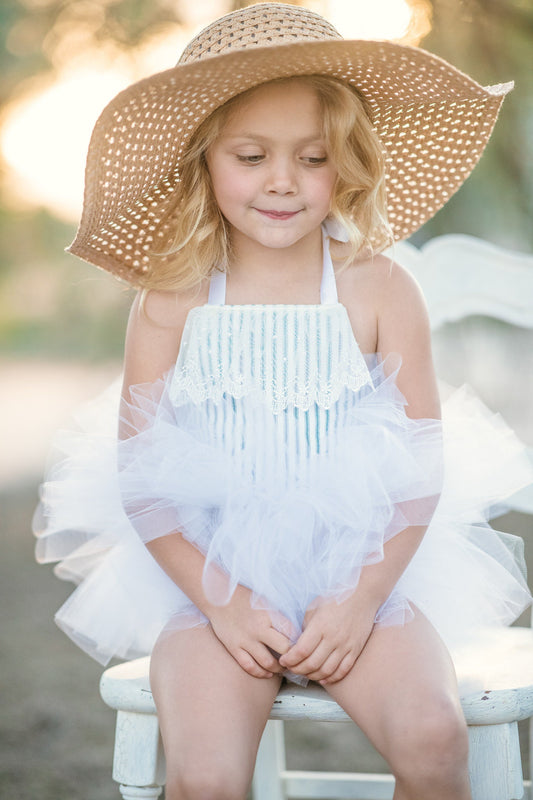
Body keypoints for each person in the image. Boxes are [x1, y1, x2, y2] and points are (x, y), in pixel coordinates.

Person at [34, 4, 533, 799]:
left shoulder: (376, 285)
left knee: (435, 742)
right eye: (251, 155)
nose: (281, 180)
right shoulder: (171, 299)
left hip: (362, 578)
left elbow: (418, 466)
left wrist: (361, 599)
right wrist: (222, 604)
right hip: (216, 588)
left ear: (347, 164)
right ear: (205, 161)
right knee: (204, 777)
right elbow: (144, 481)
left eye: (312, 157)